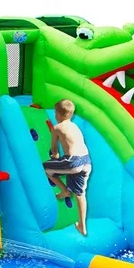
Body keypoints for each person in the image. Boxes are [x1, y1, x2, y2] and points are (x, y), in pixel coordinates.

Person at [42, 99, 92, 235]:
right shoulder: (75, 126)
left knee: (45, 168)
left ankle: (64, 190)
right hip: (86, 161)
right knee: (80, 194)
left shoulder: (57, 128)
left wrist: (55, 156)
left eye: (55, 112)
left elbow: (55, 151)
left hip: (73, 162)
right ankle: (82, 226)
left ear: (58, 114)